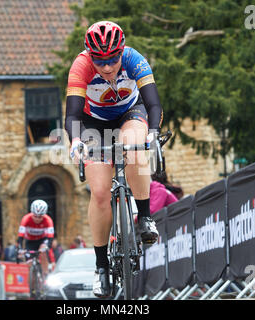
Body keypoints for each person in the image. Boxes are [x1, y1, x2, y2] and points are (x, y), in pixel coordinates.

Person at [65, 21, 163, 297]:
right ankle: (101, 267)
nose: (107, 66)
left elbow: (153, 103)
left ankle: (144, 217)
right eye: (100, 60)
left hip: (131, 113)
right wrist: (75, 142)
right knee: (98, 192)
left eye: (112, 59)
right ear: (90, 55)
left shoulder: (134, 59)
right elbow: (72, 115)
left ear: (122, 52)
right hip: (92, 123)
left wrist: (152, 135)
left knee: (133, 146)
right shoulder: (81, 67)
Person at [17, 199, 56, 275]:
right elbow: (20, 237)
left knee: (43, 250)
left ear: (44, 215)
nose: (37, 219)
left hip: (42, 240)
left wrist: (47, 246)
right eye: (35, 216)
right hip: (30, 241)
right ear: (32, 213)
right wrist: (20, 248)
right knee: (29, 264)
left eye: (40, 217)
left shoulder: (48, 220)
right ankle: (33, 280)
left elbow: (50, 238)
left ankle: (45, 274)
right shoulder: (26, 219)